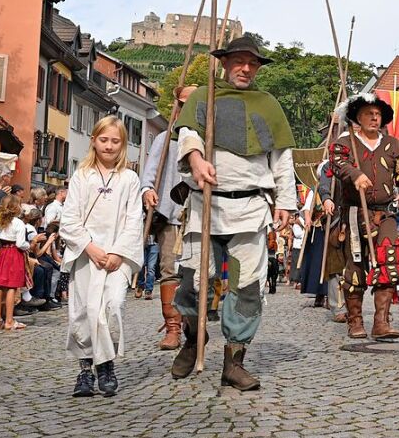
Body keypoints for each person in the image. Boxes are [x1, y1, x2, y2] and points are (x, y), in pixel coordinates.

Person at [170, 36, 296, 391]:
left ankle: (234, 361)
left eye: (252, 63)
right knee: (193, 282)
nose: (245, 68)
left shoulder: (268, 104)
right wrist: (195, 160)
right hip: (205, 205)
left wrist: (286, 202)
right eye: (239, 61)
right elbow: (188, 135)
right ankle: (193, 340)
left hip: (251, 209)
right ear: (225, 63)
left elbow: (282, 159)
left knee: (247, 287)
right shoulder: (203, 97)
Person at [320, 93, 399, 341]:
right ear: (357, 118)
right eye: (369, 114)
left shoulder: (393, 145)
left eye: (378, 115)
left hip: (384, 214)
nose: (374, 118)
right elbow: (336, 164)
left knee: (388, 262)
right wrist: (354, 174)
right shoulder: (346, 142)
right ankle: (355, 322)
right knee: (354, 268)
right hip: (354, 213)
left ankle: (381, 322)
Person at [59, 116, 144, 397]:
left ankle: (106, 364)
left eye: (115, 141)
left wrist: (118, 252)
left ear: (123, 145)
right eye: (103, 140)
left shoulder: (129, 178)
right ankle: (87, 370)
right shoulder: (82, 176)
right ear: (94, 140)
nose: (109, 146)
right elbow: (69, 219)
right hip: (86, 253)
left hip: (117, 255)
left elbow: (134, 219)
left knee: (112, 305)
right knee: (85, 311)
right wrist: (89, 247)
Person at [142, 84, 198, 350]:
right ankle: (173, 328)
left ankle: (192, 326)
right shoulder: (165, 139)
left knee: (197, 276)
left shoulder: (208, 142)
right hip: (170, 216)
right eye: (183, 104)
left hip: (199, 217)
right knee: (170, 272)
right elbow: (149, 173)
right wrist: (147, 191)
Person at [0, 195, 29, 332]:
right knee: (11, 287)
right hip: (14, 254)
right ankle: (9, 320)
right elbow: (20, 243)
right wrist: (28, 246)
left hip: (2, 253)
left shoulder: (1, 222)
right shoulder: (18, 223)